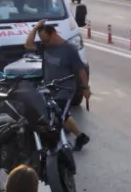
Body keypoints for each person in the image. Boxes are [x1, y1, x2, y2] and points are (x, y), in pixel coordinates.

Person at [23, 20, 91, 150]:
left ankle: (56, 146)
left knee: (57, 116)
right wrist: (36, 27)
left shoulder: (69, 49)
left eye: (46, 39)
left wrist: (85, 88)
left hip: (65, 89)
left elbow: (81, 70)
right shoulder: (45, 46)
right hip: (50, 88)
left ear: (54, 33)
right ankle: (81, 136)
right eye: (42, 39)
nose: (44, 42)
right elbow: (28, 45)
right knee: (62, 115)